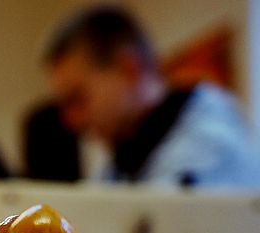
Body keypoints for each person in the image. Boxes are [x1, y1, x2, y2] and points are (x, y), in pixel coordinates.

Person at [45, 5, 260, 189]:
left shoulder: (213, 151)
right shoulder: (125, 154)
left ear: (129, 69)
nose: (71, 120)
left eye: (78, 98)